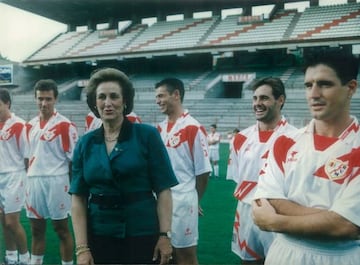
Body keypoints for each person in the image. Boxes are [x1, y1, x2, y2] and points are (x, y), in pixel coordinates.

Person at [252, 50, 360, 265]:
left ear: (350, 88)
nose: (314, 93)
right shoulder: (285, 142)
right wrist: (329, 218)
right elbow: (268, 199)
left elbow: (347, 226)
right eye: (308, 85)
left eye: (324, 84)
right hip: (284, 254)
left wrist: (275, 221)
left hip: (340, 258)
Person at [70, 68, 178, 265]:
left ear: (125, 100)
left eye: (114, 96)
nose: (108, 103)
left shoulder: (147, 135)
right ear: (95, 103)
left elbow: (163, 190)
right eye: (101, 97)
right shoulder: (85, 143)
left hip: (142, 233)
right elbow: (78, 198)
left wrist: (164, 235)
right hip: (100, 234)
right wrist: (82, 248)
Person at [227, 77, 297, 264]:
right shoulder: (240, 138)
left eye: (264, 98)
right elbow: (237, 177)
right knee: (248, 261)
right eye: (255, 98)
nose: (258, 103)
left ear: (280, 100)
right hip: (246, 211)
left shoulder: (296, 138)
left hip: (280, 213)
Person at [155, 77, 211, 265]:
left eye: (161, 96)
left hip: (182, 202)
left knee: (184, 256)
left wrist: (195, 200)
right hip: (160, 201)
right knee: (162, 254)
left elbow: (203, 172)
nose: (158, 101)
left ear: (176, 95)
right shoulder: (159, 129)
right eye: (157, 97)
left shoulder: (193, 128)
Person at [25, 79, 78, 265]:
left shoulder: (65, 125)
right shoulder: (29, 126)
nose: (44, 103)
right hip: (34, 181)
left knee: (61, 229)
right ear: (35, 99)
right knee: (36, 230)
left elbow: (75, 160)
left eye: (48, 99)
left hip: (57, 181)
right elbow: (27, 156)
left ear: (55, 99)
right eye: (40, 99)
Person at [0, 89, 30, 265]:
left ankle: (25, 259)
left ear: (7, 104)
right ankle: (11, 257)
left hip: (14, 176)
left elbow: (26, 156)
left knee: (12, 222)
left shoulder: (19, 125)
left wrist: (24, 178)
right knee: (3, 220)